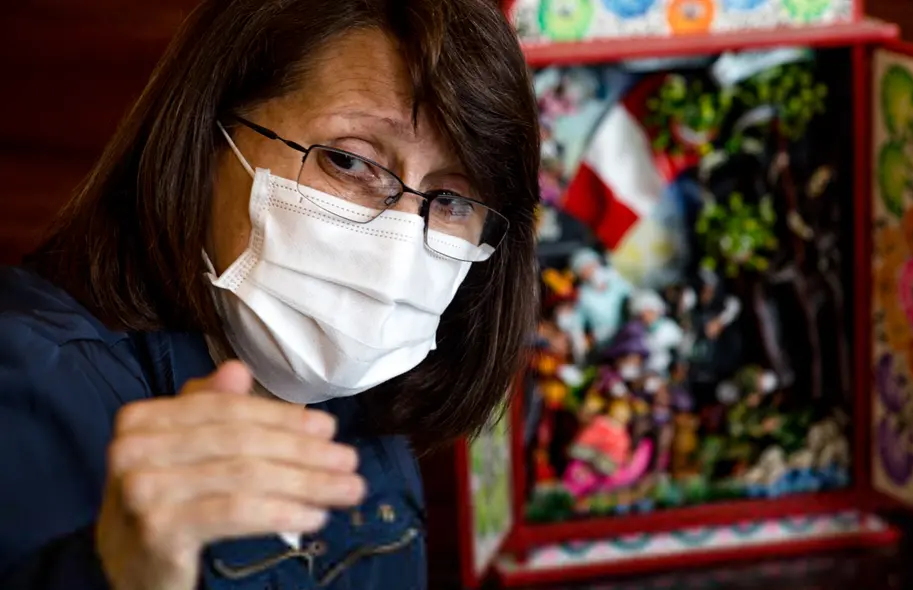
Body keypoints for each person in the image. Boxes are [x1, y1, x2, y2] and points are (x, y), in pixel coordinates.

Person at [0, 1, 539, 589]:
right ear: (208, 137)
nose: (400, 245)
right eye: (348, 161)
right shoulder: (30, 381)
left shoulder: (369, 408)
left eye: (452, 201)